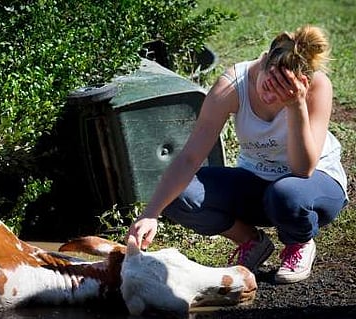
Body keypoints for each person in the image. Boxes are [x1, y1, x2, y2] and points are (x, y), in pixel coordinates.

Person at [126, 25, 348, 284]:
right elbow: (190, 157)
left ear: (303, 83)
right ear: (264, 60)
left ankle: (298, 241)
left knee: (286, 194)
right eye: (268, 84)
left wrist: (296, 105)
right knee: (181, 196)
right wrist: (150, 213)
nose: (269, 96)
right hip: (257, 180)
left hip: (311, 185)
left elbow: (302, 170)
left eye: (281, 92)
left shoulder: (318, 86)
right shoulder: (233, 84)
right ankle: (251, 241)